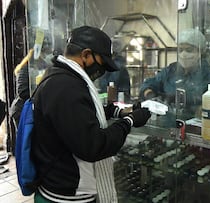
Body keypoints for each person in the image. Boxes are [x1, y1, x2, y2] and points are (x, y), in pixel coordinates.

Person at [31, 26, 151, 203]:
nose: (101, 70)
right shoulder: (66, 87)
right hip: (65, 195)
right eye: (102, 63)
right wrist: (129, 121)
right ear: (86, 55)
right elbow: (94, 146)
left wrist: (118, 111)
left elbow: (78, 117)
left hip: (59, 184)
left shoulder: (60, 76)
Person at [139, 28, 210, 118]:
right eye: (180, 50)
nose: (183, 54)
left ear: (200, 51)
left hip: (194, 121)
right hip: (169, 120)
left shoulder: (208, 71)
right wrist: (150, 95)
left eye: (189, 50)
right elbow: (149, 83)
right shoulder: (171, 70)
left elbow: (202, 96)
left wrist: (174, 97)